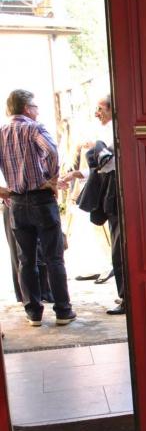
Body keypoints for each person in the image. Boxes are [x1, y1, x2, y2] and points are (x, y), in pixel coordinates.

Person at [0, 89, 76, 326]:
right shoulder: (34, 128)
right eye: (35, 107)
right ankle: (63, 311)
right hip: (41, 200)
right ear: (26, 108)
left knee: (26, 260)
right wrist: (52, 179)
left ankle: (33, 313)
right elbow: (52, 151)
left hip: (16, 202)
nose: (37, 111)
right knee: (54, 258)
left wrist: (2, 190)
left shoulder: (1, 132)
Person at [71, 94, 124, 315]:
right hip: (110, 188)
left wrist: (96, 147)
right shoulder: (105, 131)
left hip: (116, 190)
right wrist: (80, 173)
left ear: (112, 108)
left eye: (100, 108)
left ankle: (126, 297)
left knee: (119, 246)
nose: (96, 113)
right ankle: (125, 294)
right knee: (117, 244)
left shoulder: (116, 130)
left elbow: (109, 163)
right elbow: (101, 167)